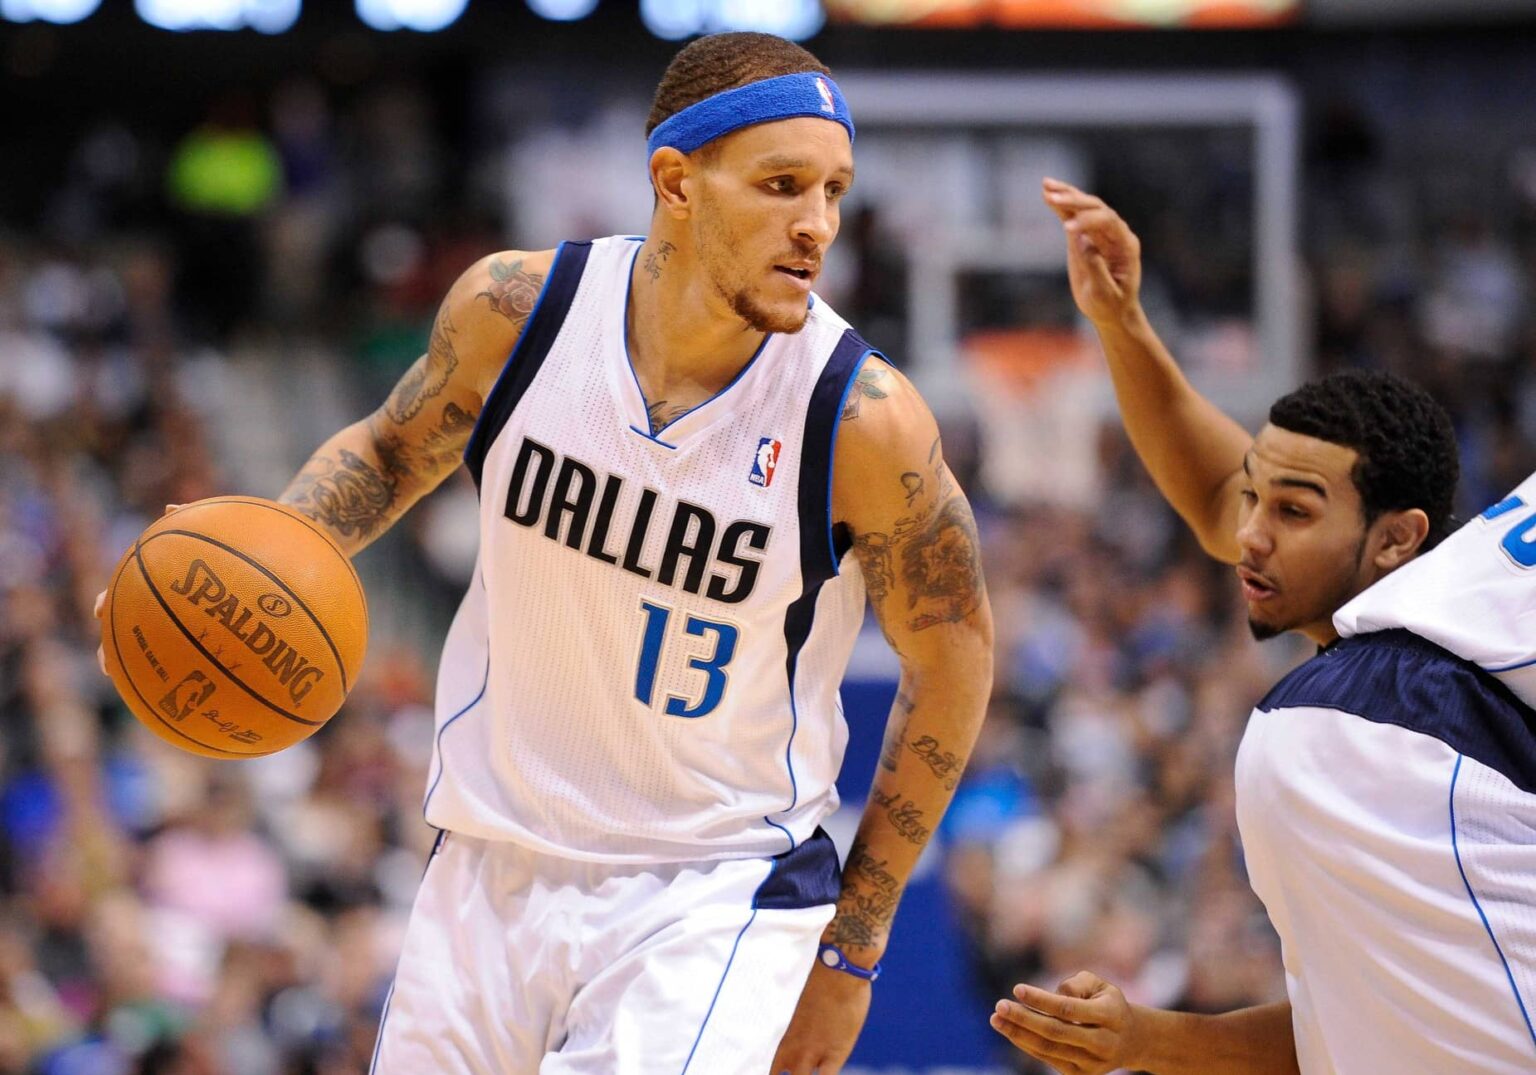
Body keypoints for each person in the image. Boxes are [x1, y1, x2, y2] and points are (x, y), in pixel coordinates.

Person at [95, 32, 994, 1075]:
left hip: (711, 889)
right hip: (487, 865)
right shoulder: (518, 314)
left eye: (834, 191)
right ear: (677, 182)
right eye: (782, 184)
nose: (818, 225)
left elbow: (955, 656)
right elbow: (389, 451)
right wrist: (237, 579)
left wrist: (854, 943)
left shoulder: (863, 420)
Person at [988, 180, 1535, 1074]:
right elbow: (1360, 1025)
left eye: (1293, 509)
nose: (1248, 533)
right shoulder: (1444, 601)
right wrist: (1121, 324)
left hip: (1384, 728)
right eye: (1258, 498)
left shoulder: (1436, 642)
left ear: (1397, 538)